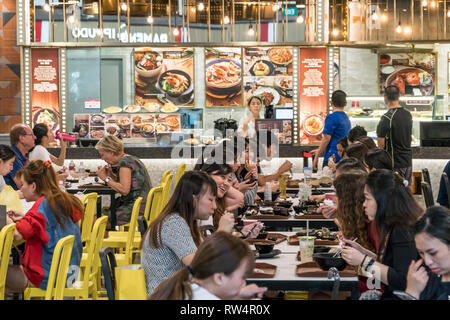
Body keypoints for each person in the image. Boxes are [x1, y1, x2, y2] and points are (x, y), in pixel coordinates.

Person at [341, 169, 423, 300]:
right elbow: (391, 265)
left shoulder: (402, 229)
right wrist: (363, 252)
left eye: (367, 198)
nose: (363, 204)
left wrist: (362, 260)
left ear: (383, 200)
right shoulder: (393, 223)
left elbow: (402, 280)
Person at [5, 160, 83, 294]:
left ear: (33, 186)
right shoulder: (60, 199)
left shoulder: (41, 208)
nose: (21, 189)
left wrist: (3, 214)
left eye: (23, 184)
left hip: (49, 278)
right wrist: (25, 218)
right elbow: (48, 226)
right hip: (70, 274)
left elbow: (17, 235)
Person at [141, 171, 218, 295]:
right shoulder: (174, 223)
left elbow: (205, 254)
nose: (215, 206)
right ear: (193, 199)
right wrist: (223, 232)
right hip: (166, 295)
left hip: (176, 291)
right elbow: (199, 266)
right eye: (210, 199)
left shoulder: (186, 221)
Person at [149, 231, 267, 300]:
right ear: (219, 278)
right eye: (242, 277)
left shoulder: (187, 288)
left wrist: (237, 294)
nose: (244, 283)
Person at [95, 135, 152, 227]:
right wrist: (111, 176)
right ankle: (108, 239)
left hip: (136, 208)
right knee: (97, 219)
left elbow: (124, 190)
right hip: (143, 205)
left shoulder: (124, 162)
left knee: (94, 221)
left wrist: (105, 178)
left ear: (111, 152)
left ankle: (103, 240)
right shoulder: (131, 158)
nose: (102, 158)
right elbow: (128, 184)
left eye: (102, 154)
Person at [404, 206, 450, 300]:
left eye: (433, 253)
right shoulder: (424, 280)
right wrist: (411, 291)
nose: (427, 262)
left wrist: (412, 294)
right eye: (421, 253)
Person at [376, 85, 413, 185]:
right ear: (399, 96)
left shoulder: (387, 117)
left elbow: (381, 145)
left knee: (395, 194)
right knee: (405, 194)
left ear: (385, 98)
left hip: (394, 163)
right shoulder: (408, 114)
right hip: (407, 161)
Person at [311, 90, 351, 171]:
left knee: (327, 181)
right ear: (345, 103)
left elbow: (326, 139)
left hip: (332, 157)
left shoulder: (331, 117)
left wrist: (317, 156)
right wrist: (319, 149)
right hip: (342, 156)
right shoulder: (346, 117)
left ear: (331, 102)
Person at [4, 124, 35, 190]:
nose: (35, 137)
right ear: (21, 138)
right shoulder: (12, 156)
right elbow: (23, 185)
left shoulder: (24, 156)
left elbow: (31, 178)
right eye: (31, 135)